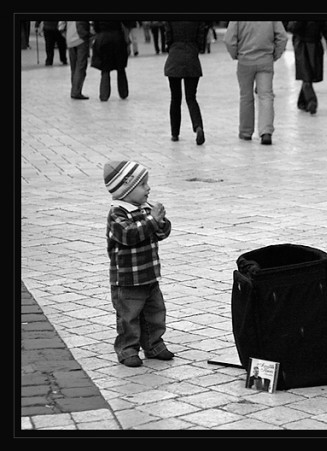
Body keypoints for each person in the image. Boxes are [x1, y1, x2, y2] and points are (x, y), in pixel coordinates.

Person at [103, 160, 175, 368]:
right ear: (127, 188)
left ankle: (154, 344)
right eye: (143, 185)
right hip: (127, 279)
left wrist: (161, 221)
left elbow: (161, 234)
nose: (148, 188)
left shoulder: (145, 209)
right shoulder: (117, 213)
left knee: (155, 312)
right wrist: (152, 221)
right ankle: (128, 349)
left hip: (149, 274)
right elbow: (129, 235)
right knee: (129, 316)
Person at [223, 21, 288, 145]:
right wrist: (275, 55)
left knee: (246, 97)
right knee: (266, 96)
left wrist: (236, 54)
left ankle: (246, 132)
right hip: (265, 59)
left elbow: (229, 39)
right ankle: (266, 131)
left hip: (245, 60)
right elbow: (282, 37)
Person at [163, 21, 206, 145]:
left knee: (175, 98)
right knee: (191, 98)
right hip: (192, 57)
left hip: (174, 58)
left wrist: (170, 48)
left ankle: (175, 133)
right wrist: (197, 48)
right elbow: (201, 36)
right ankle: (198, 127)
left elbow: (168, 36)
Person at [286, 21, 327, 115]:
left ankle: (302, 103)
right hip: (301, 46)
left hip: (315, 46)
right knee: (306, 74)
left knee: (310, 75)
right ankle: (312, 102)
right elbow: (290, 27)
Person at [90, 21, 130, 101]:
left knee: (105, 69)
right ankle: (123, 93)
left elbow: (96, 27)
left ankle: (104, 95)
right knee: (121, 68)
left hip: (103, 39)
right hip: (118, 38)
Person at [65, 21, 93, 100]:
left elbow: (61, 25)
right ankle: (76, 91)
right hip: (81, 38)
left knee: (74, 67)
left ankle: (74, 89)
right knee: (80, 66)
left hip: (70, 39)